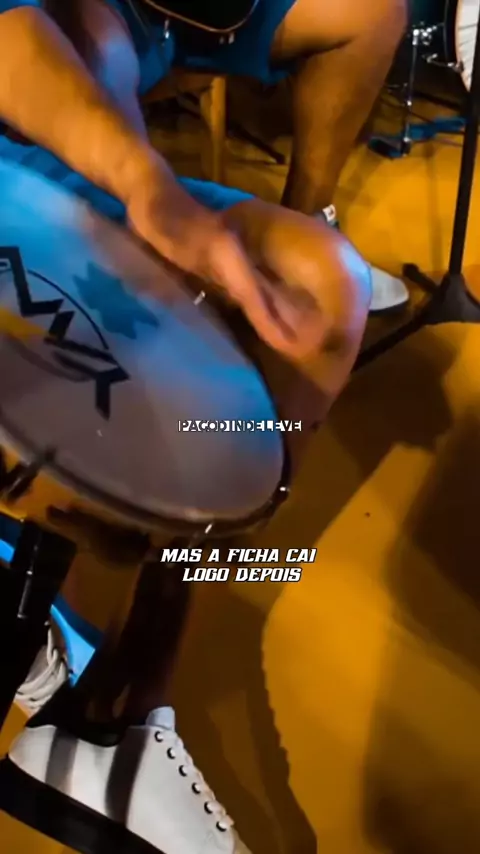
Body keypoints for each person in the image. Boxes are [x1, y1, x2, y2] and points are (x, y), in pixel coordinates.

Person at [0, 1, 397, 852]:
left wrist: (142, 179)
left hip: (69, 115)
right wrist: (143, 181)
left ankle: (115, 710)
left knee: (322, 281)